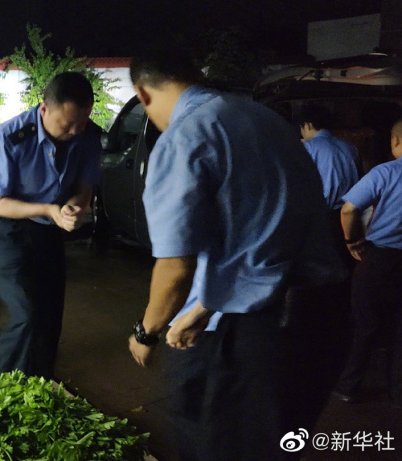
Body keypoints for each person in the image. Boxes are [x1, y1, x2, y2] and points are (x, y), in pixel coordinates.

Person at [126, 47, 349, 460]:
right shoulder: (264, 119)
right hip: (320, 317)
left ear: (142, 94)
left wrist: (146, 332)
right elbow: (269, 230)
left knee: (219, 443)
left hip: (255, 334)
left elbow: (176, 268)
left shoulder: (185, 136)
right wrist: (207, 307)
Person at [0, 72, 101, 379]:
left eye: (82, 121)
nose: (75, 131)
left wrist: (77, 205)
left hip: (49, 233)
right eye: (67, 124)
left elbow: (85, 185)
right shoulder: (8, 139)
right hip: (8, 232)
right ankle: (5, 383)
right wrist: (49, 209)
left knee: (50, 317)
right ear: (44, 109)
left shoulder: (87, 135)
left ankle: (41, 381)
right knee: (28, 315)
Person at [331, 118, 402, 407]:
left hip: (380, 258)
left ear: (396, 141)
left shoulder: (385, 172)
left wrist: (353, 242)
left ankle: (348, 387)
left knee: (365, 323)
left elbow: (349, 209)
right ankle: (398, 394)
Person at [298, 105, 360, 265]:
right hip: (349, 216)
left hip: (321, 218)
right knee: (346, 262)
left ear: (307, 124)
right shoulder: (350, 147)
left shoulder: (308, 147)